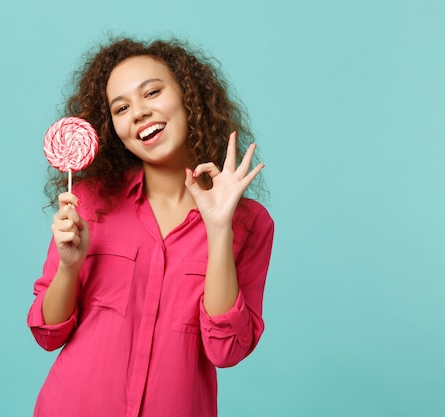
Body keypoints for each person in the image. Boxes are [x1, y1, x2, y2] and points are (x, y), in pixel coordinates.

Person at [27, 37, 274, 417]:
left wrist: (219, 228)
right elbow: (48, 332)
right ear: (113, 128)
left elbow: (226, 350)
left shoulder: (250, 224)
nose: (138, 112)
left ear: (188, 96)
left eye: (152, 92)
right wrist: (69, 265)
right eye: (121, 107)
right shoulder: (89, 202)